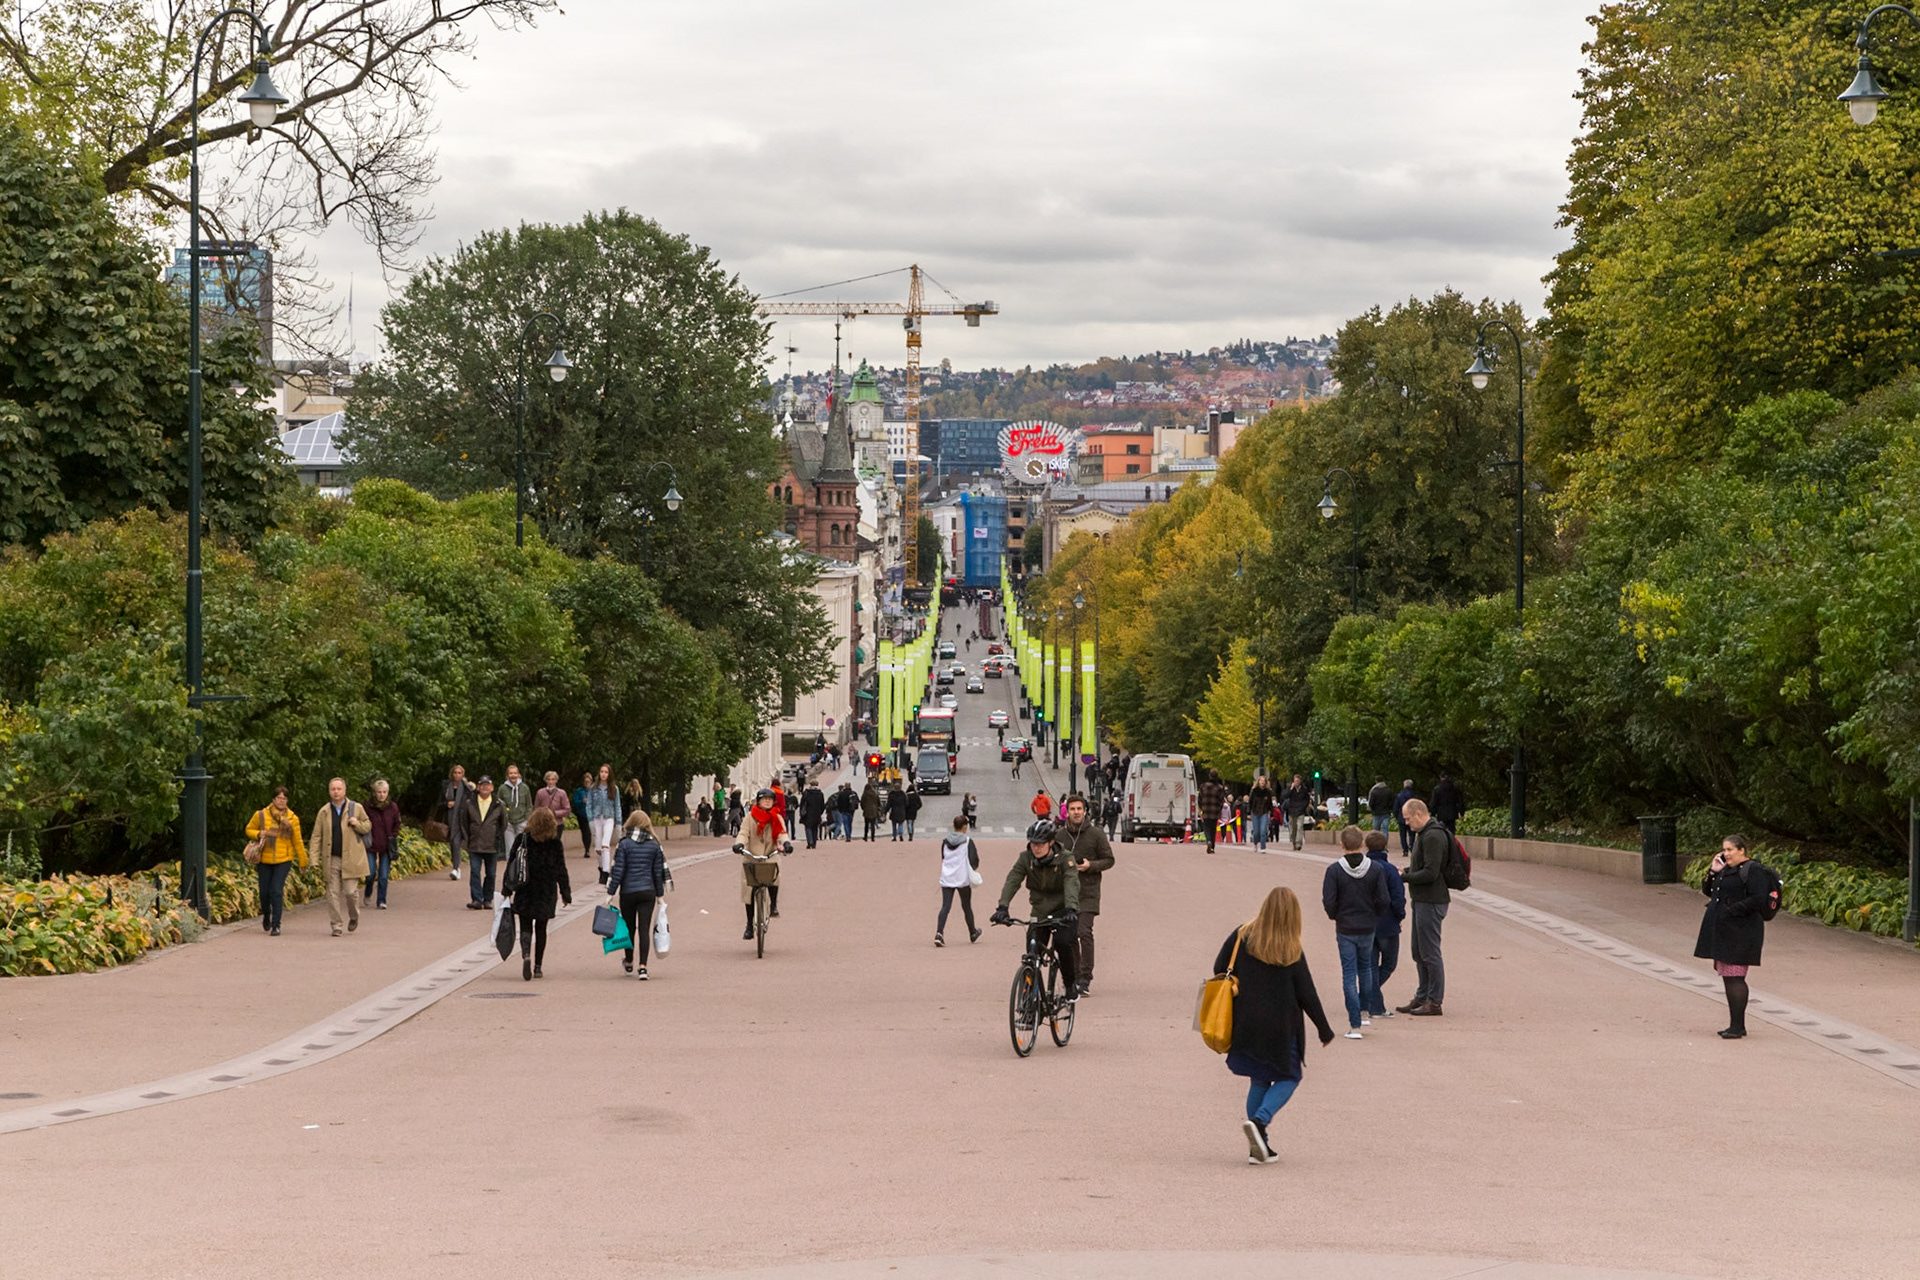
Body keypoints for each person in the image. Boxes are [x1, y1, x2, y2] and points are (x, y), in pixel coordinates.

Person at [1211, 886, 1336, 1165]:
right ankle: (1260, 1121)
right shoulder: (1291, 948)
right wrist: (1323, 1029)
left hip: (1246, 1020)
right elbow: (1307, 993)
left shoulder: (1242, 935)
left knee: (1259, 1078)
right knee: (1290, 1076)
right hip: (1280, 1025)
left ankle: (1260, 1147)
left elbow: (1219, 966)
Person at [1694, 834, 1778, 1039]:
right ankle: (1735, 1024)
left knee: (1735, 976)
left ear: (1742, 850)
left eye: (1730, 849)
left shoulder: (1753, 870)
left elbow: (1758, 899)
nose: (1726, 853)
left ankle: (1737, 1026)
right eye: (1724, 849)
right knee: (1728, 975)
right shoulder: (1727, 870)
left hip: (1741, 930)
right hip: (1725, 929)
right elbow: (1709, 891)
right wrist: (1714, 870)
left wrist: (1732, 910)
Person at [991, 819, 1080, 997]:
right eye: (1033, 844)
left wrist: (1071, 908)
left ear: (1051, 843)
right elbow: (1013, 879)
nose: (1036, 848)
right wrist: (1003, 906)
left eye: (1040, 844)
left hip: (1064, 911)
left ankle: (1070, 985)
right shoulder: (1026, 858)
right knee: (1032, 953)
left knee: (1063, 944)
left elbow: (1071, 882)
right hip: (1039, 911)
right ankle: (1029, 999)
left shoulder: (1065, 858)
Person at [1322, 826, 1391, 1038]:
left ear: (1341, 845)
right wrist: (1374, 914)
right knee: (1367, 970)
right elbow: (1384, 899)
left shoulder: (1334, 871)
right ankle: (1363, 1011)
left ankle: (1354, 1024)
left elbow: (1329, 901)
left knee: (1349, 973)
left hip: (1345, 926)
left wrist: (1336, 915)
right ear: (1362, 844)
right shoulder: (1375, 869)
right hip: (1368, 925)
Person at [1059, 793, 1115, 997]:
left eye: (1079, 809)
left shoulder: (1096, 834)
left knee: (1084, 932)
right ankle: (1072, 975)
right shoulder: (1060, 836)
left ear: (1085, 812)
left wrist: (1091, 865)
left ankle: (1085, 978)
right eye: (1072, 809)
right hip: (1066, 894)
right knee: (1069, 936)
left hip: (1088, 891)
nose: (1076, 813)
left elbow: (1109, 860)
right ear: (1067, 812)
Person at [1398, 798, 1450, 1016]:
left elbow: (1431, 872)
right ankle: (1423, 995)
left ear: (1419, 814)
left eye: (1408, 819)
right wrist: (1408, 871)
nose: (1407, 823)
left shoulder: (1433, 835)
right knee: (1419, 951)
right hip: (1422, 899)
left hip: (1431, 899)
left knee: (1430, 952)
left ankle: (1434, 1001)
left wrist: (1406, 877)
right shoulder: (1424, 834)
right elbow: (1424, 865)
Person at [509, 806, 572, 981]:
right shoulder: (555, 843)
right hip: (546, 889)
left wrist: (507, 889)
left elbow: (512, 864)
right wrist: (565, 893)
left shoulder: (522, 840)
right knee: (542, 929)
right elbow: (561, 869)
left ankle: (526, 953)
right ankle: (538, 966)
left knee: (525, 926)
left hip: (525, 888)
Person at [607, 812, 670, 978]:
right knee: (644, 929)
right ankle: (643, 967)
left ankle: (629, 962)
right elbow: (658, 873)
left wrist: (611, 892)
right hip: (647, 892)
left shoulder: (624, 844)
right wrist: (660, 895)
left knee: (629, 929)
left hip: (628, 892)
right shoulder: (654, 845)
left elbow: (618, 871)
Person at [309, 777, 373, 938]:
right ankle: (336, 925)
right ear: (329, 791)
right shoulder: (324, 812)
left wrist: (357, 823)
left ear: (344, 790)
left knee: (350, 892)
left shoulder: (356, 807)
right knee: (332, 892)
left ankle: (354, 916)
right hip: (332, 858)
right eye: (333, 789)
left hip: (351, 857)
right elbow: (316, 836)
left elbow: (368, 826)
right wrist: (314, 859)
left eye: (338, 789)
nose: (336, 792)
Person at [244, 786, 304, 936]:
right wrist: (259, 834)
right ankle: (266, 915)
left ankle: (276, 925)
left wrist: (303, 861)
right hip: (264, 858)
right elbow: (249, 829)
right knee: (264, 893)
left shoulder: (292, 819)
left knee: (276, 891)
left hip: (284, 860)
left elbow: (297, 841)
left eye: (284, 798)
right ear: (273, 799)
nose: (281, 801)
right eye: (279, 798)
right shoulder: (261, 815)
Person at [1362, 829, 1406, 1019]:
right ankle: (1373, 1003)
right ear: (1385, 847)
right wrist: (1400, 915)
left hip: (1366, 923)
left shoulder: (1362, 868)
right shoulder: (1389, 870)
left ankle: (1368, 999)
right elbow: (1397, 897)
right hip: (1388, 924)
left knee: (1370, 965)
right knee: (1388, 964)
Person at [740, 788, 786, 938]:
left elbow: (782, 834)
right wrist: (740, 844)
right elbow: (743, 833)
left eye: (770, 799)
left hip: (769, 854)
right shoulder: (750, 817)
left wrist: (786, 844)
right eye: (764, 799)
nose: (767, 801)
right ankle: (748, 924)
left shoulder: (776, 817)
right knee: (749, 889)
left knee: (774, 873)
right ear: (758, 801)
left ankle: (773, 905)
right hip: (752, 856)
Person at [458, 775, 510, 909]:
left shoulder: (498, 804)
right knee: (475, 871)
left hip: (491, 845)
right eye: (482, 785)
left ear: (492, 788)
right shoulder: (470, 802)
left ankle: (487, 899)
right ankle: (476, 899)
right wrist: (468, 837)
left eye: (488, 785)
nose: (485, 787)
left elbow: (503, 823)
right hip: (474, 843)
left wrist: (496, 836)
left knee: (491, 873)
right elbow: (464, 821)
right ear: (479, 787)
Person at [935, 814, 982, 947]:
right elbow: (974, 859)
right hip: (962, 878)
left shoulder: (945, 841)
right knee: (966, 906)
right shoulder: (967, 841)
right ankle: (972, 932)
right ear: (965, 827)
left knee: (945, 906)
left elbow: (943, 857)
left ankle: (939, 933)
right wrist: (972, 868)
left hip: (947, 877)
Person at [362, 778, 402, 909]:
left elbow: (397, 823)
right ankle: (368, 891)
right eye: (379, 792)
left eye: (384, 792)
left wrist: (393, 835)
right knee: (370, 874)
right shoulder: (367, 806)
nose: (382, 795)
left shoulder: (392, 807)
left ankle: (381, 900)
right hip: (371, 844)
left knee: (384, 876)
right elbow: (362, 822)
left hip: (386, 845)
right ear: (374, 792)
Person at [584, 764, 623, 885]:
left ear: (609, 774)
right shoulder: (593, 788)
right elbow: (589, 805)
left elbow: (617, 806)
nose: (604, 774)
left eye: (606, 772)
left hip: (609, 818)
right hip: (596, 818)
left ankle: (606, 873)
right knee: (598, 847)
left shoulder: (614, 789)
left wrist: (619, 823)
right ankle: (601, 868)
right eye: (602, 771)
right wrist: (590, 819)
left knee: (605, 845)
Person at [441, 765, 473, 880]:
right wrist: (447, 804)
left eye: (460, 773)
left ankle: (455, 868)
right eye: (455, 772)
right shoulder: (446, 786)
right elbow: (439, 803)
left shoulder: (466, 787)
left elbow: (472, 798)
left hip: (461, 819)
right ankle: (456, 867)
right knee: (452, 843)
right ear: (452, 773)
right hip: (449, 818)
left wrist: (468, 785)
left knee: (456, 842)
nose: (457, 775)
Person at [500, 765, 534, 851]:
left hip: (522, 821)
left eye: (515, 773)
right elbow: (499, 805)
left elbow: (529, 805)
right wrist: (504, 818)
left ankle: (521, 864)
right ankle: (510, 864)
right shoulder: (502, 788)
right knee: (510, 849)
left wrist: (527, 820)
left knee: (521, 848)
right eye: (511, 773)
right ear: (507, 776)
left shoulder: (524, 788)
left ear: (518, 775)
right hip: (508, 823)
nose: (513, 775)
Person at [535, 770, 572, 845]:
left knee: (555, 844)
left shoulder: (562, 793)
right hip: (544, 824)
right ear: (545, 780)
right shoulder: (540, 793)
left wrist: (555, 813)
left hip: (557, 823)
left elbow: (567, 809)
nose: (551, 782)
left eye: (553, 779)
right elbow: (536, 808)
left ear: (556, 780)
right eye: (549, 779)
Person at [1280, 775, 1312, 851]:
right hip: (1291, 811)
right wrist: (1290, 789)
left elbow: (1307, 800)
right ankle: (1294, 842)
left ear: (1300, 781)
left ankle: (1298, 843)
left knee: (1300, 827)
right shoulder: (1290, 788)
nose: (1296, 782)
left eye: (1297, 781)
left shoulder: (1304, 790)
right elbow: (1284, 796)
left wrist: (1303, 806)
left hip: (1300, 811)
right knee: (1293, 828)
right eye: (1295, 781)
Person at [1198, 769, 1226, 854]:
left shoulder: (1203, 786)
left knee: (1206, 828)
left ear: (1209, 776)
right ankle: (1212, 846)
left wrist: (1201, 808)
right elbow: (1221, 800)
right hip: (1215, 810)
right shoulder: (1220, 788)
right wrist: (1219, 809)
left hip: (1206, 809)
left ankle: (1208, 841)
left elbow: (1199, 798)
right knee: (1213, 828)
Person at [1246, 775, 1273, 851]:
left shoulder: (1268, 792)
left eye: (1264, 781)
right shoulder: (1254, 791)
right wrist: (1248, 812)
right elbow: (1250, 802)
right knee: (1256, 831)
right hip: (1255, 812)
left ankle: (1263, 847)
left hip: (1264, 812)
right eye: (1261, 781)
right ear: (1258, 782)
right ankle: (1255, 843)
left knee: (1263, 830)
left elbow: (1270, 803)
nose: (1262, 782)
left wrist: (1271, 813)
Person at [571, 772, 595, 858]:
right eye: (586, 782)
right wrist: (582, 801)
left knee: (591, 831)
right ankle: (587, 849)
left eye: (589, 782)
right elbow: (575, 802)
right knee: (585, 832)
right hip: (582, 814)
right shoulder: (579, 791)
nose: (587, 784)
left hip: (592, 814)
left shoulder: (594, 791)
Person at [798, 780, 826, 848]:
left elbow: (802, 804)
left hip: (808, 813)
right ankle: (814, 842)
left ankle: (810, 842)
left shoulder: (806, 793)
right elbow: (822, 805)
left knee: (808, 827)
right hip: (817, 813)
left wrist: (801, 812)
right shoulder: (820, 793)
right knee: (815, 828)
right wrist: (820, 812)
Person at [1393, 778, 1417, 854]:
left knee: (1402, 835)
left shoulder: (1399, 795)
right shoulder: (1414, 795)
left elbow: (1396, 808)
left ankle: (1405, 849)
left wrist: (1397, 816)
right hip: (1412, 816)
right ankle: (1412, 846)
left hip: (1402, 816)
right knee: (1412, 833)